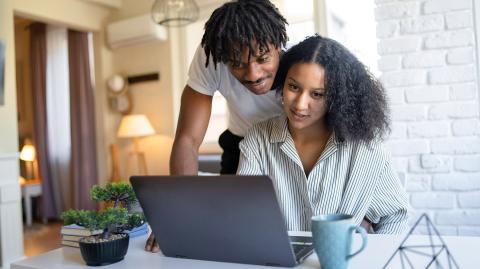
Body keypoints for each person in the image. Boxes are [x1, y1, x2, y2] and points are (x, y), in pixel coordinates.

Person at [145, 0, 288, 252]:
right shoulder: (211, 54)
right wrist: (178, 211)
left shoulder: (298, 51)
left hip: (293, 139)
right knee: (230, 228)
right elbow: (187, 139)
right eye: (238, 64)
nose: (253, 74)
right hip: (241, 141)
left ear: (278, 45)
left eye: (263, 58)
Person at [237, 35, 409, 234]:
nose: (300, 104)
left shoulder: (364, 147)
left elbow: (394, 217)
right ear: (282, 83)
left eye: (317, 94)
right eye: (293, 87)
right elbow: (246, 213)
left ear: (337, 99)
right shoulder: (258, 139)